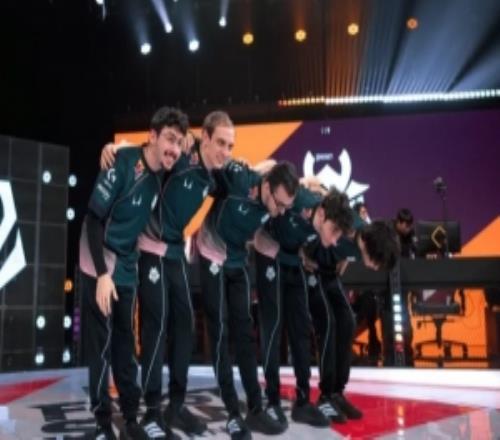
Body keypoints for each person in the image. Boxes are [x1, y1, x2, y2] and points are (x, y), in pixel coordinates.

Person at [100, 111, 235, 438]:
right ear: (204, 138)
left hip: (175, 254)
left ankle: (175, 404)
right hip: (150, 250)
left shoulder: (217, 176)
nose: (225, 151)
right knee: (156, 327)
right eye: (220, 143)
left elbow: (253, 174)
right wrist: (116, 147)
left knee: (185, 325)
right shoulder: (183, 154)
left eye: (230, 146)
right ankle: (151, 411)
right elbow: (150, 152)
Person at [79, 106, 188, 440]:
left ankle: (129, 419)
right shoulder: (122, 163)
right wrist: (101, 275)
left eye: (179, 142)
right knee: (101, 347)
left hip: (127, 264)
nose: (174, 148)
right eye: (169, 139)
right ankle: (102, 424)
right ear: (152, 136)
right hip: (98, 260)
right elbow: (94, 219)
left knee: (126, 344)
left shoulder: (162, 172)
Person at [196, 161, 299, 440]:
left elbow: (279, 172)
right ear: (266, 186)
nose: (281, 212)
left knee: (245, 333)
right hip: (212, 253)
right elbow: (205, 162)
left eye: (286, 207)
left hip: (238, 259)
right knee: (220, 331)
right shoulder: (238, 177)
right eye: (279, 204)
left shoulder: (278, 197)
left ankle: (255, 408)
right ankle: (232, 413)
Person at [252, 183, 353, 430]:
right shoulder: (299, 199)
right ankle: (272, 400)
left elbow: (316, 245)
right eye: (334, 231)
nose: (335, 239)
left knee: (300, 331)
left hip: (293, 262)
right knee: (273, 328)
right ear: (321, 214)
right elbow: (269, 176)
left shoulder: (321, 218)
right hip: (269, 256)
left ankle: (303, 401)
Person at [304, 219, 399, 423]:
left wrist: (342, 260)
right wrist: (303, 254)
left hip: (329, 273)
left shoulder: (363, 237)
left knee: (347, 322)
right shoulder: (345, 228)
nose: (375, 268)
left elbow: (344, 254)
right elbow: (314, 227)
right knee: (328, 324)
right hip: (311, 271)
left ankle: (337, 392)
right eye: (377, 262)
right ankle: (325, 396)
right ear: (372, 248)